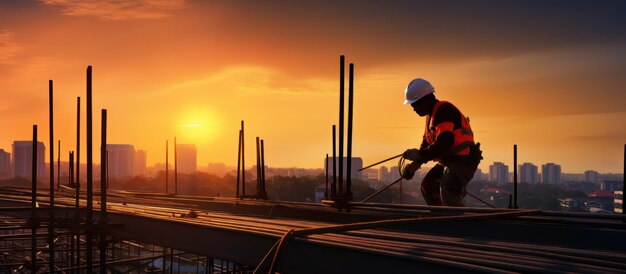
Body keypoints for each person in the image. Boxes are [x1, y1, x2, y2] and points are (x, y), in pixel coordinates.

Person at [401, 78, 482, 206]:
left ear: (427, 99)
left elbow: (445, 142)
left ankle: (456, 222)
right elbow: (426, 143)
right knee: (428, 185)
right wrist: (415, 164)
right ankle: (439, 217)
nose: (414, 109)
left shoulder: (444, 110)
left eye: (416, 104)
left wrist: (418, 155)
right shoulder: (431, 117)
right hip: (449, 161)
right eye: (412, 105)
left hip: (464, 160)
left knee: (448, 188)